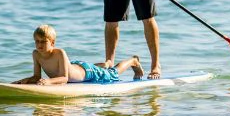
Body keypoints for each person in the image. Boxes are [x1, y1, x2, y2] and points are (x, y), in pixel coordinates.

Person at [13, 24, 144, 85]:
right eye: (37, 41)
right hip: (75, 66)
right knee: (103, 68)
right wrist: (24, 81)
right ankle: (104, 64)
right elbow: (37, 76)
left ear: (52, 43)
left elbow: (64, 79)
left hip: (87, 71)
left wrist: (48, 81)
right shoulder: (36, 54)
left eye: (43, 42)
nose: (39, 45)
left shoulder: (60, 53)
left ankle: (133, 61)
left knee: (112, 73)